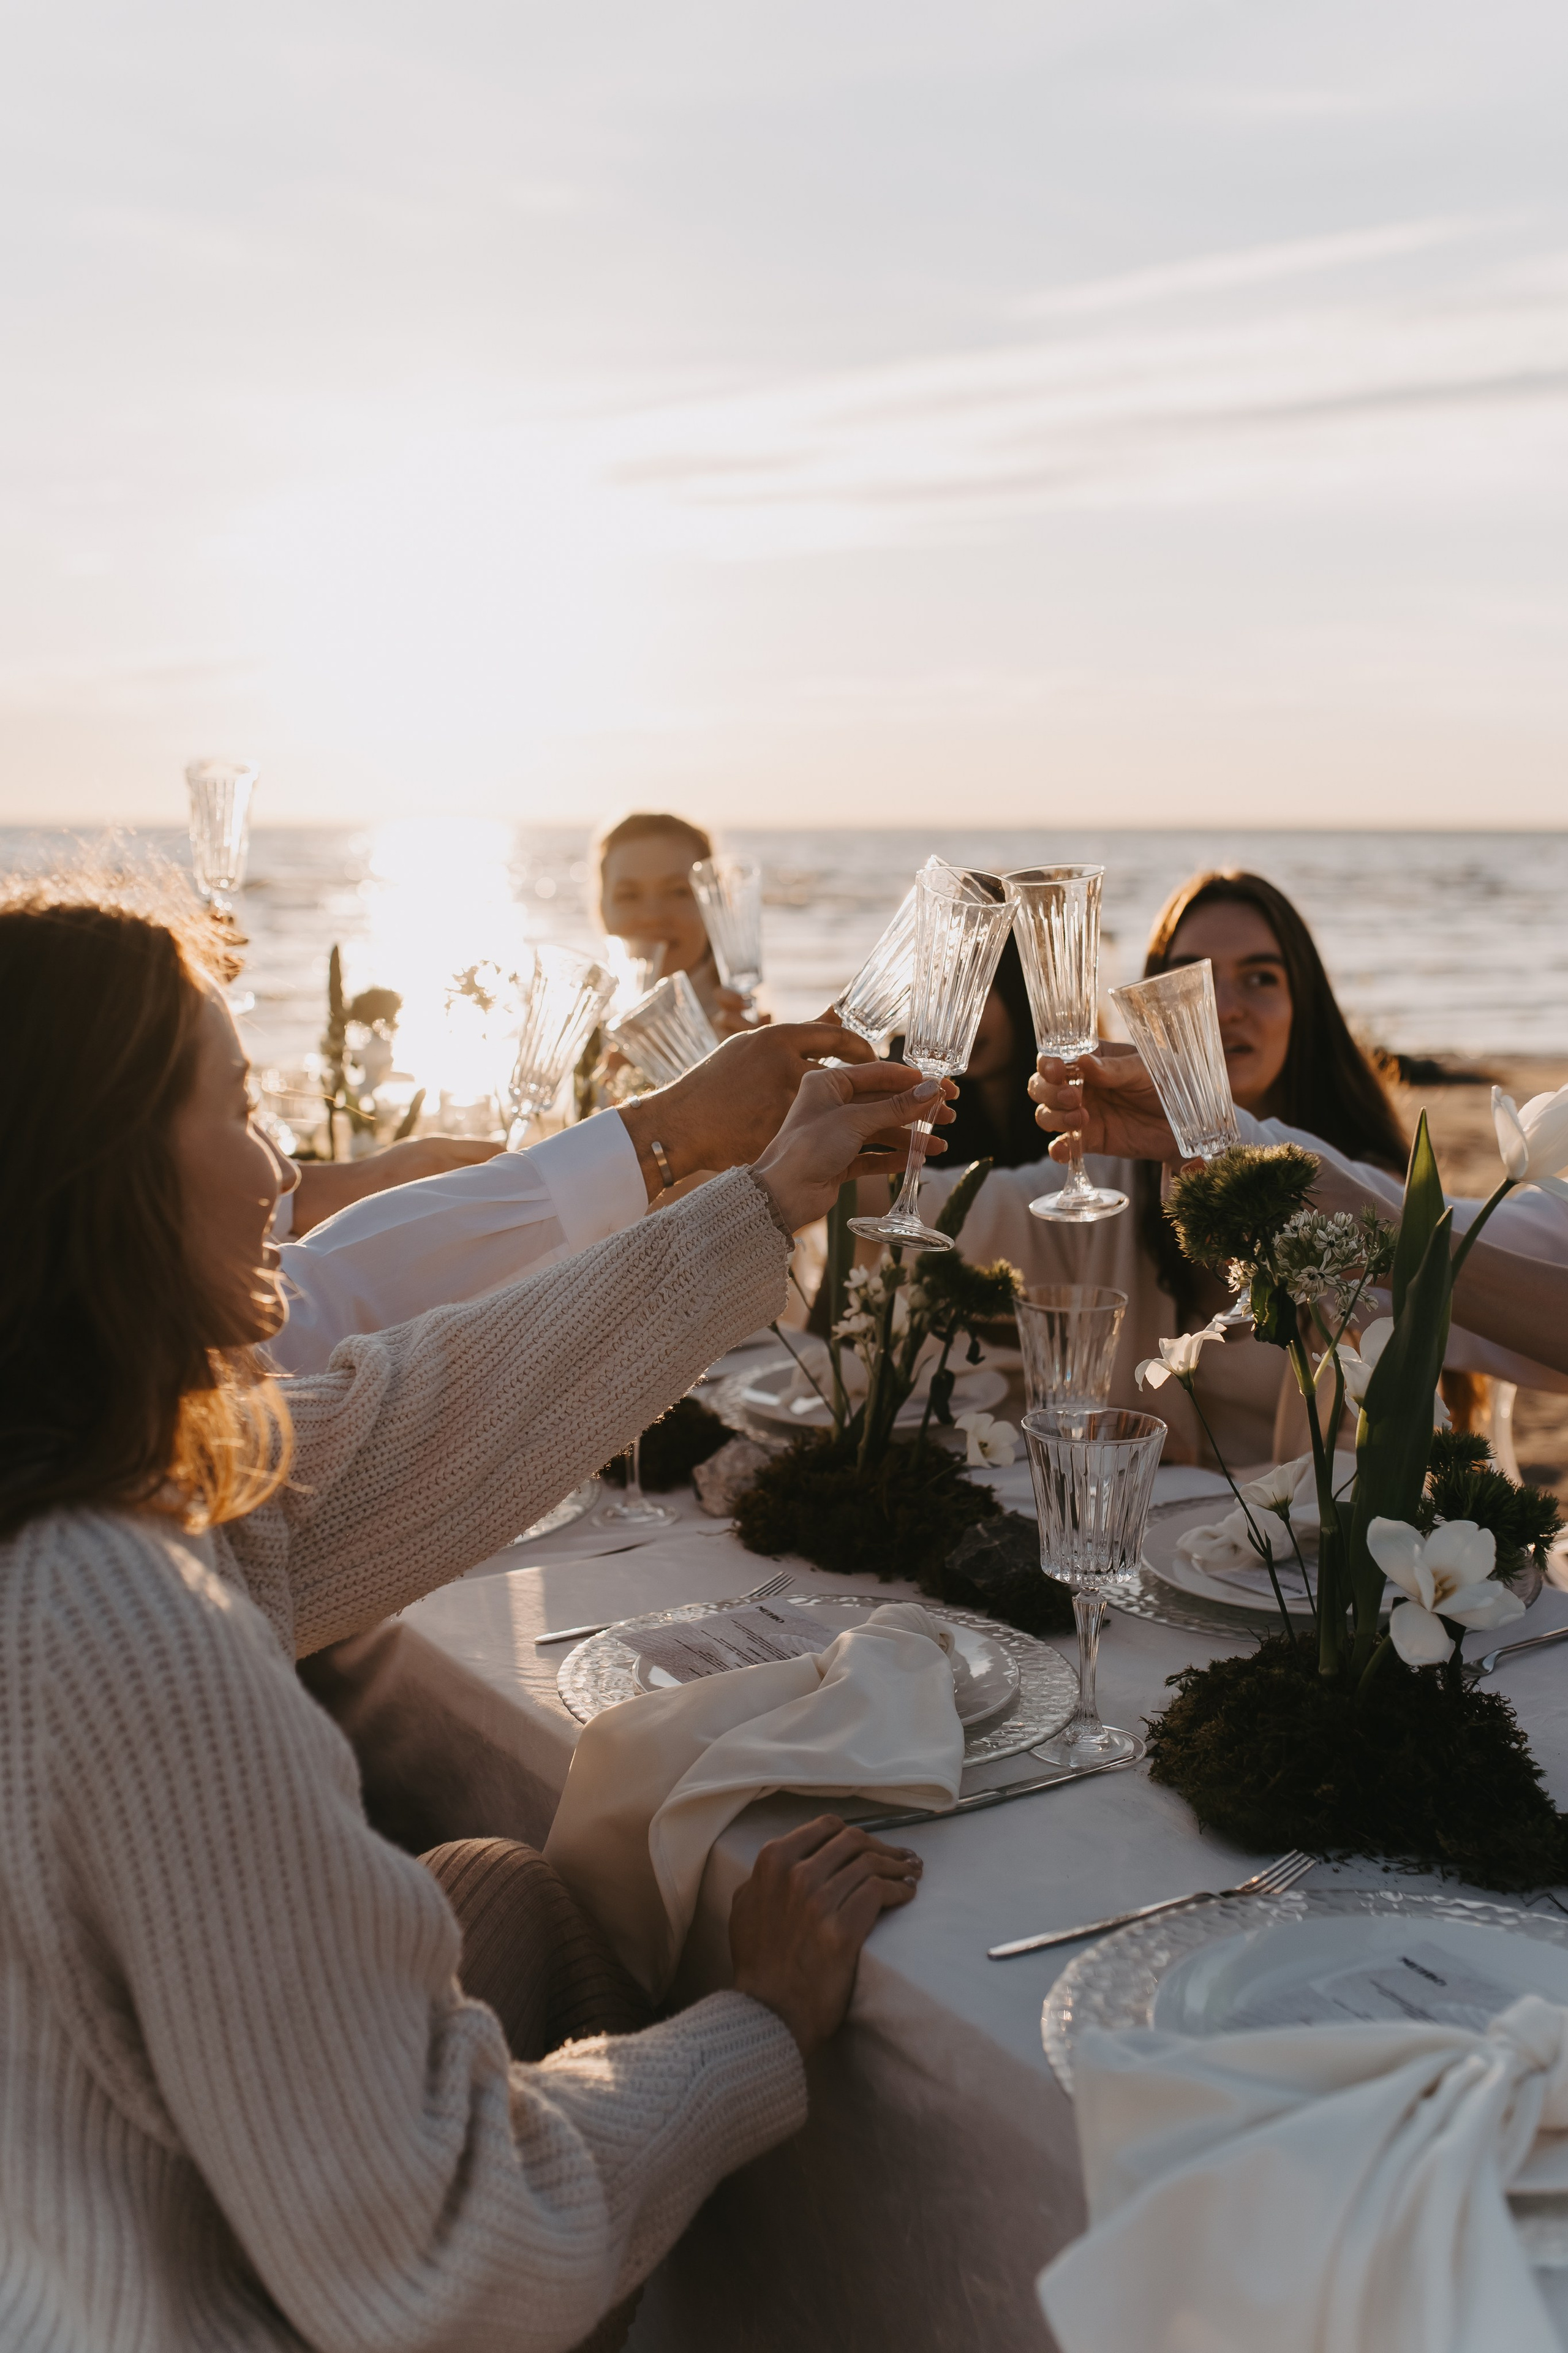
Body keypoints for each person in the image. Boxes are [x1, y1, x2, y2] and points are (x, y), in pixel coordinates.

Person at [0, 881, 956, 2352]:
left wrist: (758, 1203)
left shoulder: (90, 1488)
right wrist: (755, 2025)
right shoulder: (108, 1610)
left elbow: (397, 1426)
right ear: (99, 1169)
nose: (284, 1166)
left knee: (507, 1893)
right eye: (241, 1107)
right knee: (670, 1983)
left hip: (92, 2218)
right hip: (159, 2304)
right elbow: (450, 2258)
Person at [922, 871, 1427, 1467]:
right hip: (1144, 1541)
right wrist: (848, 1145)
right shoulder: (1121, 1176)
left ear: (1303, 1006)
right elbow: (973, 1215)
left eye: (1260, 978)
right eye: (1193, 979)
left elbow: (1384, 1454)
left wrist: (1218, 1506)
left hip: (1294, 1549)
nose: (1225, 1008)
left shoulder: (1367, 1196)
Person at [1030, 1025, 1568, 1388]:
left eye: (1261, 976)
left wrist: (1387, 1244)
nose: (1228, 1008)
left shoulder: (1371, 1174)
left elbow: (1505, 1247)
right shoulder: (1131, 1168)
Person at [594, 809, 755, 1037]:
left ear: (715, 906)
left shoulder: (752, 1045)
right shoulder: (573, 1036)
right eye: (629, 895)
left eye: (678, 892)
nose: (652, 916)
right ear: (601, 910)